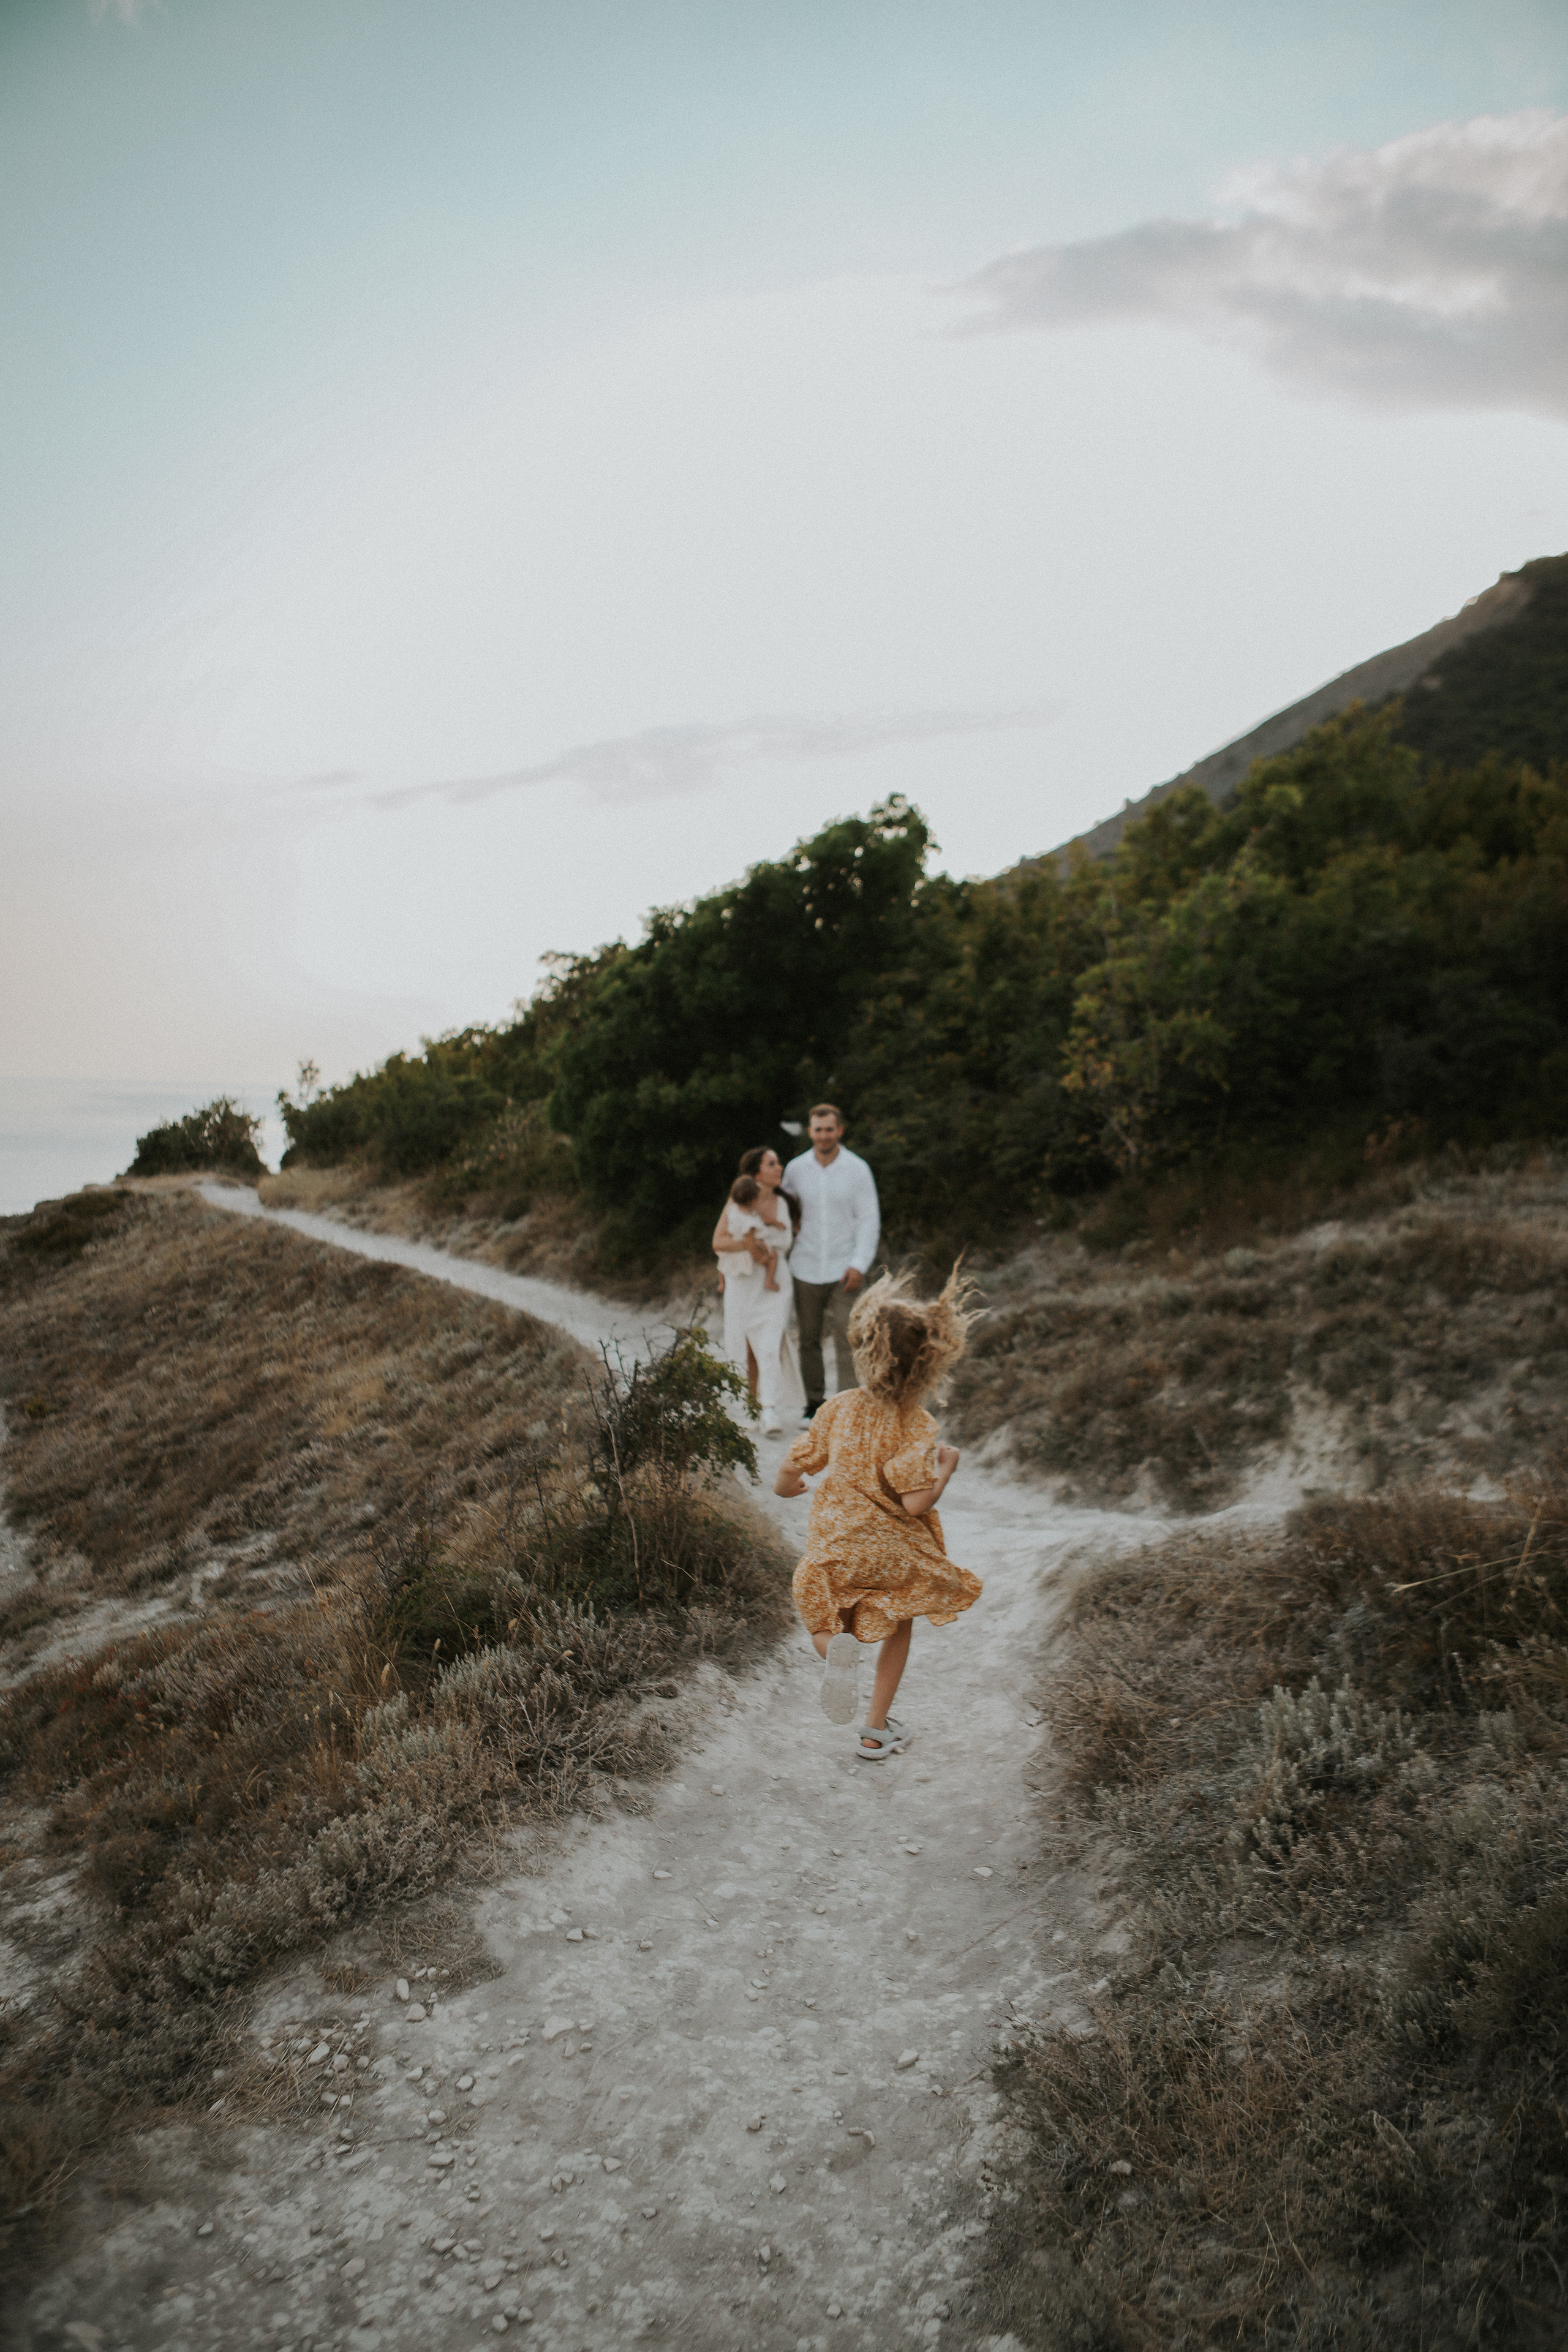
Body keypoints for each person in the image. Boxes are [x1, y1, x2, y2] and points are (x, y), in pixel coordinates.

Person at [773, 1267, 981, 1760]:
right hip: (892, 1550)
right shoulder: (917, 1423)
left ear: (864, 1352)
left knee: (826, 1611)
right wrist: (946, 1470)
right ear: (925, 1365)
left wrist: (788, 1489)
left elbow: (792, 1464)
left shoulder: (838, 1409)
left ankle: (832, 1655)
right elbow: (915, 1502)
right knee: (899, 1621)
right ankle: (874, 1730)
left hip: (837, 1540)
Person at [782, 1103, 880, 1420]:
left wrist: (859, 1264)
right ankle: (814, 1405)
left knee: (848, 1337)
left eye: (829, 1129)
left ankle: (849, 1407)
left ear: (839, 1130)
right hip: (805, 1266)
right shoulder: (796, 1169)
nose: (823, 1135)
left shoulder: (857, 1169)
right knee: (808, 1339)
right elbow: (784, 1212)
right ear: (810, 1132)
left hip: (844, 1268)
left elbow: (869, 1219)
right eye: (818, 1129)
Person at [710, 1147, 805, 1436]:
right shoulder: (735, 1204)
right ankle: (749, 1408)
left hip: (774, 1284)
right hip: (742, 1283)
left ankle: (770, 1410)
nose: (780, 1167)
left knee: (770, 1344)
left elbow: (786, 1243)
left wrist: (753, 1238)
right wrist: (754, 1244)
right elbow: (718, 1243)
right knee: (746, 1347)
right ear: (756, 1173)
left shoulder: (782, 1204)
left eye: (778, 1162)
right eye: (772, 1164)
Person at [721, 1174, 781, 1291]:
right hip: (756, 1243)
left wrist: (773, 1222)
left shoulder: (734, 1209)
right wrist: (759, 1258)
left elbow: (759, 1219)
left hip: (736, 1238)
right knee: (774, 1256)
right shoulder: (750, 1223)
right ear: (753, 1201)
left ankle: (722, 1282)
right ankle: (769, 1281)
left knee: (723, 1259)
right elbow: (749, 1242)